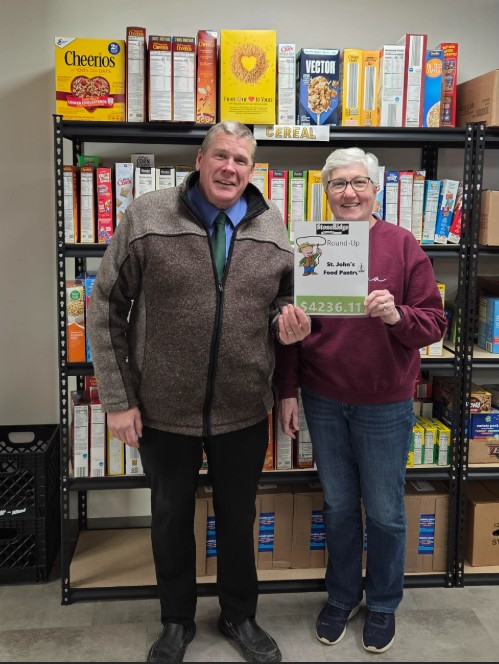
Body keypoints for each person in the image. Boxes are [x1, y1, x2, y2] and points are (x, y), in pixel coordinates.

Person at [88, 120, 311, 663]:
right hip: (163, 408)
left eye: (242, 160)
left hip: (243, 407)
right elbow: (106, 306)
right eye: (221, 156)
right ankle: (175, 620)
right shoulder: (148, 216)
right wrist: (118, 400)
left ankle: (239, 615)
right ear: (200, 160)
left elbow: (283, 299)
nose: (230, 168)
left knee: (238, 518)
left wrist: (287, 322)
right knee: (169, 518)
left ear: (252, 170)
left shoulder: (274, 226)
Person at [274, 147, 447, 654]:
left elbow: (434, 324)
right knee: (339, 506)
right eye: (338, 184)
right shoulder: (309, 245)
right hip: (323, 398)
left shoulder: (402, 245)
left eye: (358, 183)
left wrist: (397, 316)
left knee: (387, 512)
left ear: (375, 190)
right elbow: (292, 331)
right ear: (325, 192)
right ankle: (342, 596)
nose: (349, 192)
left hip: (384, 404)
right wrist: (287, 390)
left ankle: (385, 602)